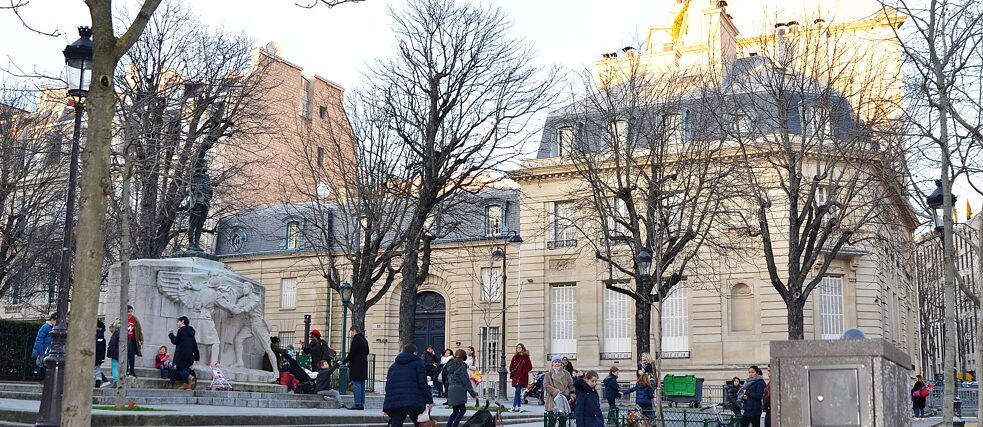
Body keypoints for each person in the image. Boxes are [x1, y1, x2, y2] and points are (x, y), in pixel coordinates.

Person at [383, 343, 434, 427]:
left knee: (396, 424)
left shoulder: (393, 366)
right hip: (414, 400)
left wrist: (386, 405)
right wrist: (429, 401)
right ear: (415, 353)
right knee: (422, 423)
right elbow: (423, 383)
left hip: (396, 401)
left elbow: (388, 386)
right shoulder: (418, 363)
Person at [445, 349, 478, 427]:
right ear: (463, 357)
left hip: (451, 389)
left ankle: (448, 425)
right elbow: (466, 382)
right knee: (463, 410)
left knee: (455, 411)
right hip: (459, 390)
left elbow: (446, 378)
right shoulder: (461, 367)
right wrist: (473, 394)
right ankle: (454, 425)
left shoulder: (449, 365)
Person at [340, 325, 370, 410]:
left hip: (356, 366)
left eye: (351, 332)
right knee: (362, 385)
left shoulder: (356, 339)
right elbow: (367, 352)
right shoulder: (364, 339)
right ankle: (361, 404)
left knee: (356, 384)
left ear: (354, 330)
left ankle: (357, 403)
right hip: (363, 365)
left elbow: (352, 353)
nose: (351, 334)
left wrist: (344, 361)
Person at [167, 316, 199, 390]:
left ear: (182, 321)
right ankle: (186, 384)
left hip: (181, 354)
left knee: (177, 367)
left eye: (178, 321)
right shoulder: (191, 332)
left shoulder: (181, 330)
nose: (177, 323)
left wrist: (171, 334)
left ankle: (189, 377)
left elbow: (175, 341)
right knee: (185, 368)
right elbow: (194, 344)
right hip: (190, 354)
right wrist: (196, 356)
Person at [545, 354, 574, 427]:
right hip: (553, 399)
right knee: (552, 420)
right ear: (552, 363)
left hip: (564, 398)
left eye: (559, 362)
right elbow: (546, 385)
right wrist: (556, 391)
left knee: (563, 419)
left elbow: (571, 385)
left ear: (561, 363)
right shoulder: (548, 374)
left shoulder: (566, 373)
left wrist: (572, 393)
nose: (557, 364)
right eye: (555, 362)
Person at [31, 314, 56, 381]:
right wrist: (40, 352)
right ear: (52, 320)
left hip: (47, 350)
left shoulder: (50, 327)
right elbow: (39, 340)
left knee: (46, 366)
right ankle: (43, 380)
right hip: (45, 351)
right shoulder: (46, 327)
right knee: (44, 366)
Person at [509, 343, 533, 412]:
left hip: (522, 377)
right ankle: (519, 407)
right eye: (517, 348)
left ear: (523, 348)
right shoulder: (514, 357)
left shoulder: (526, 357)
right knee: (518, 392)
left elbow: (530, 367)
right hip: (515, 377)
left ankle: (513, 406)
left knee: (517, 391)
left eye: (520, 347)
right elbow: (511, 366)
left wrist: (524, 372)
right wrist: (512, 371)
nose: (518, 349)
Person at [125, 305, 144, 378]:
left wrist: (141, 338)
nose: (130, 313)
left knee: (131, 356)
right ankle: (125, 370)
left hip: (132, 340)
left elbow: (139, 329)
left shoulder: (135, 319)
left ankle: (132, 371)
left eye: (131, 311)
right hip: (124, 340)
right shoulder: (121, 319)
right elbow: (113, 327)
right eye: (128, 312)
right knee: (125, 356)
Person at [94, 319, 109, 387]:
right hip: (99, 356)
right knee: (97, 368)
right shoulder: (101, 336)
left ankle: (102, 380)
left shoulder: (97, 336)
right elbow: (103, 348)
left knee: (96, 368)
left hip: (96, 355)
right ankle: (102, 380)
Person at [107, 320, 120, 385]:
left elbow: (112, 345)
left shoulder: (115, 335)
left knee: (115, 367)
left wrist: (109, 354)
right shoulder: (124, 334)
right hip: (122, 353)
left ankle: (116, 381)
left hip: (115, 354)